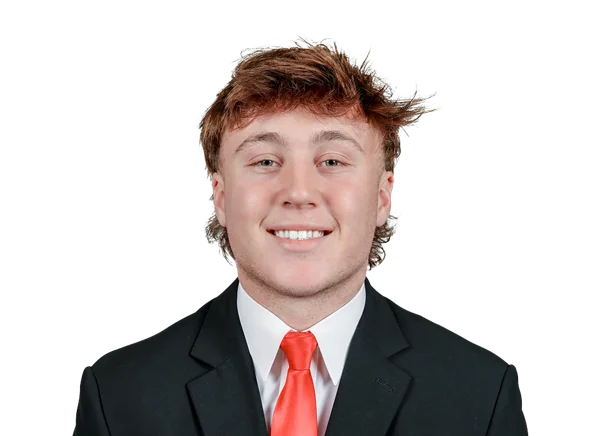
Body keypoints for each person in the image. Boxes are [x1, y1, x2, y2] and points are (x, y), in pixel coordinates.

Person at [75, 37, 527, 435]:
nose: (298, 192)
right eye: (265, 162)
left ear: (381, 197)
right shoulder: (118, 395)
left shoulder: (481, 394)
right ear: (221, 197)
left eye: (332, 161)